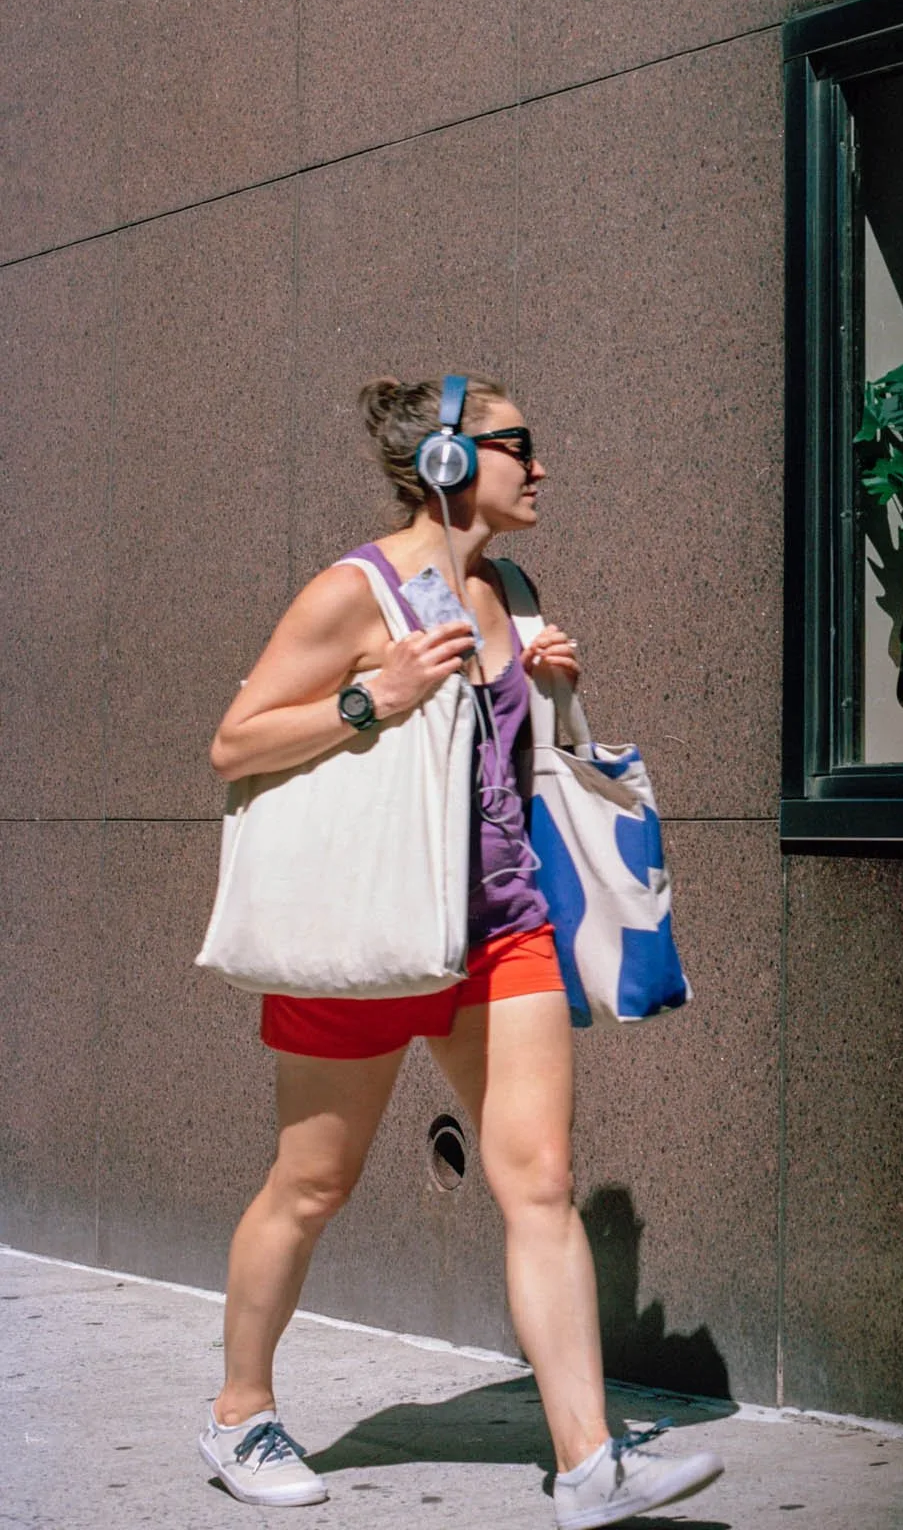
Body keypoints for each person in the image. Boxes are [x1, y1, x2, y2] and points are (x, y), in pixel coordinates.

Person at [201, 376, 721, 1526]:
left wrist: (564, 702)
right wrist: (370, 695)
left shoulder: (513, 588)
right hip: (374, 932)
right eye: (517, 444)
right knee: (312, 1182)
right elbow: (234, 743)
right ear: (445, 458)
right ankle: (240, 1409)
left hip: (504, 926)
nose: (540, 466)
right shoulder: (355, 590)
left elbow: (516, 768)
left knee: (537, 1178)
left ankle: (587, 1459)